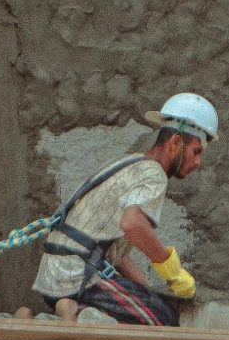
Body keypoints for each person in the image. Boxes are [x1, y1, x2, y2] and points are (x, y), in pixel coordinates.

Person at [32, 92, 215, 327]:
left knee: (143, 309)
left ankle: (48, 318)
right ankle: (79, 313)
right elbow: (134, 225)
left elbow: (112, 247)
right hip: (81, 277)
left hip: (57, 275)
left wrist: (145, 291)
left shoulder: (130, 165)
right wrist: (174, 273)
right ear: (176, 143)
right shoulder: (153, 175)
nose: (198, 163)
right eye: (196, 151)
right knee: (165, 323)